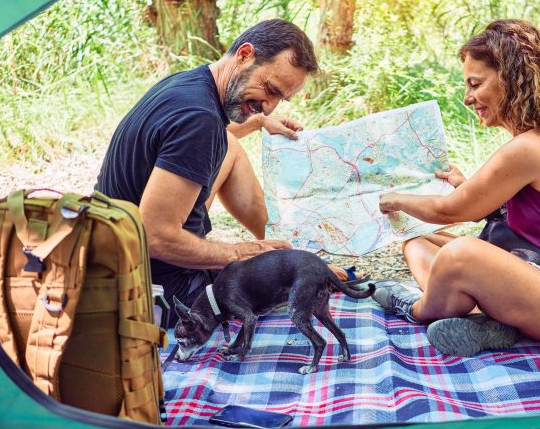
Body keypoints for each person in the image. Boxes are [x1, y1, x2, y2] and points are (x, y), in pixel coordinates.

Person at [374, 19, 540, 356]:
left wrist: (395, 199)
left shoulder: (532, 146)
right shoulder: (537, 140)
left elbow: (450, 211)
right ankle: (489, 322)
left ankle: (415, 308)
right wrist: (466, 185)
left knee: (460, 254)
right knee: (417, 237)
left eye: (475, 84)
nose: (467, 98)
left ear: (514, 78)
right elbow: (516, 210)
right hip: (538, 272)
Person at [95, 19, 352, 324]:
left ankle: (290, 255)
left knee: (229, 146)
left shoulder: (188, 86)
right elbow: (153, 236)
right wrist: (245, 253)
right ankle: (287, 261)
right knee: (264, 278)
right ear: (245, 55)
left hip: (108, 257)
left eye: (280, 98)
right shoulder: (199, 120)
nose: (268, 107)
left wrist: (257, 122)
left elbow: (195, 140)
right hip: (155, 290)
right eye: (269, 89)